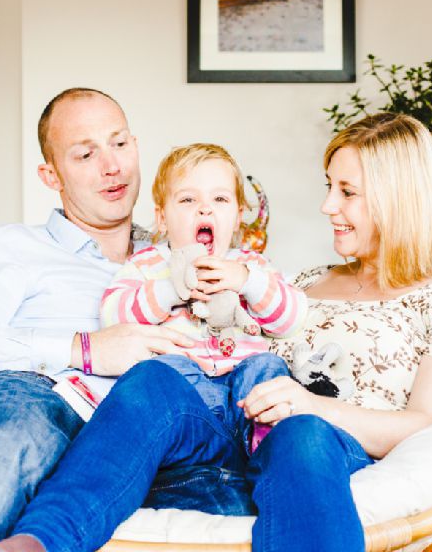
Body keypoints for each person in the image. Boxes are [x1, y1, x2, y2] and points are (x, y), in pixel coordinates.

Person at [0, 112, 432, 552]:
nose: (326, 206)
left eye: (346, 192)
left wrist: (312, 407)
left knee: (303, 433)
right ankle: (36, 543)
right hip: (220, 434)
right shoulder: (309, 280)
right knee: (149, 382)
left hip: (311, 444)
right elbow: (217, 339)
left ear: (396, 199)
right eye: (328, 187)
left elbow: (427, 425)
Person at [0, 88, 253, 552]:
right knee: (16, 434)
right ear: (51, 174)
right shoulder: (11, 248)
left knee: (239, 486)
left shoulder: (179, 259)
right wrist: (84, 347)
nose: (112, 166)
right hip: (35, 403)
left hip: (139, 443)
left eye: (120, 144)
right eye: (85, 153)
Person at [100, 143, 305, 451]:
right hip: (187, 395)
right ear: (162, 219)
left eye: (220, 199)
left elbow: (291, 319)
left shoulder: (251, 266)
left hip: (244, 391)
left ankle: (264, 442)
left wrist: (247, 282)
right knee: (159, 373)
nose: (205, 209)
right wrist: (171, 289)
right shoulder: (148, 264)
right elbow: (112, 315)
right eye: (187, 199)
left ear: (237, 218)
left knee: (267, 366)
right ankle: (194, 446)